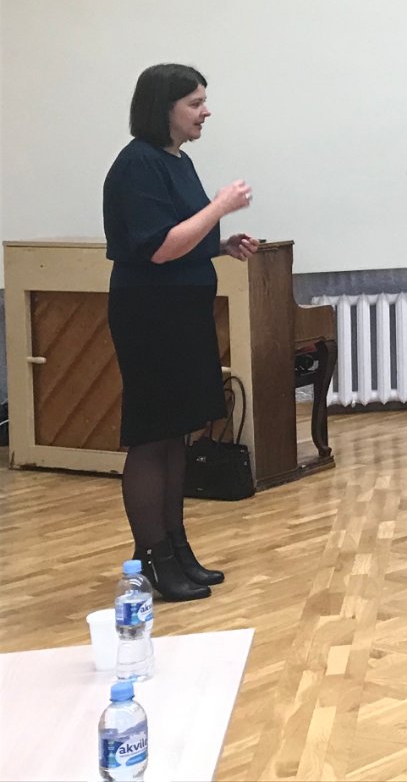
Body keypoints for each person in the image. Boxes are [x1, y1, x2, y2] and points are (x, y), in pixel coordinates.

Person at [103, 65, 258, 601]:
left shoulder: (177, 161)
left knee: (176, 434)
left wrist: (221, 244)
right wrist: (220, 206)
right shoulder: (137, 164)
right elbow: (158, 247)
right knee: (152, 437)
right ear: (162, 108)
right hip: (150, 317)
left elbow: (184, 238)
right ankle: (152, 557)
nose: (205, 112)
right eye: (194, 103)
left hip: (182, 313)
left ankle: (176, 548)